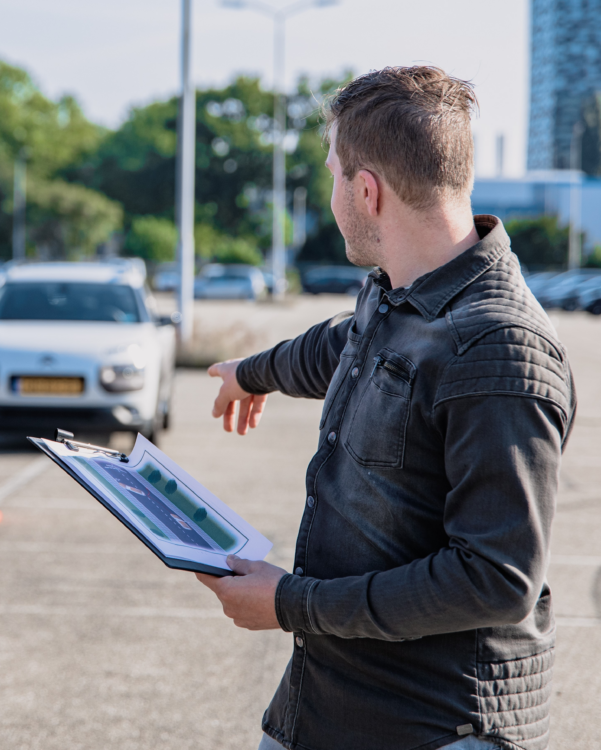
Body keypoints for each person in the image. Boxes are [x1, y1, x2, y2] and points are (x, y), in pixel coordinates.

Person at [200, 66, 575, 750]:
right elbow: (344, 344)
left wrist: (290, 604)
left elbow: (494, 579)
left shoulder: (499, 350)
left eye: (333, 170)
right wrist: (254, 372)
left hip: (435, 727)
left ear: (365, 191)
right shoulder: (400, 293)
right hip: (331, 707)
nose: (331, 187)